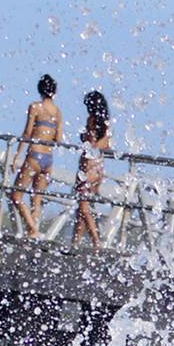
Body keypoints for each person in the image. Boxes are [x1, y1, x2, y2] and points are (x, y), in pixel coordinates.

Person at [8, 74, 61, 237]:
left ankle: (33, 230)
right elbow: (58, 139)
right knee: (37, 199)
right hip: (48, 159)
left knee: (16, 196)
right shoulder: (58, 112)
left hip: (35, 156)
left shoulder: (35, 107)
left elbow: (27, 133)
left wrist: (17, 155)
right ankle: (33, 232)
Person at [72, 90, 111, 248]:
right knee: (82, 210)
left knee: (84, 207)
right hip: (99, 168)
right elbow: (107, 145)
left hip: (88, 168)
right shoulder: (106, 123)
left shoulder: (92, 120)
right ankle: (75, 241)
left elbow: (91, 144)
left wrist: (85, 139)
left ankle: (96, 241)